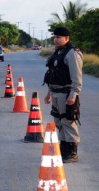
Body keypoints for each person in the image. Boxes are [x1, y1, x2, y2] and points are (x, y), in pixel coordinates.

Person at [43, 27, 83, 163]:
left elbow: (76, 77)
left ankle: (72, 152)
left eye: (59, 37)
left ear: (67, 38)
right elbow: (52, 76)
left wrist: (73, 94)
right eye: (55, 37)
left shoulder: (72, 53)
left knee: (68, 121)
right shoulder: (58, 52)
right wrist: (49, 93)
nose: (56, 39)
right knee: (59, 121)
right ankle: (64, 148)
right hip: (55, 93)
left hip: (66, 94)